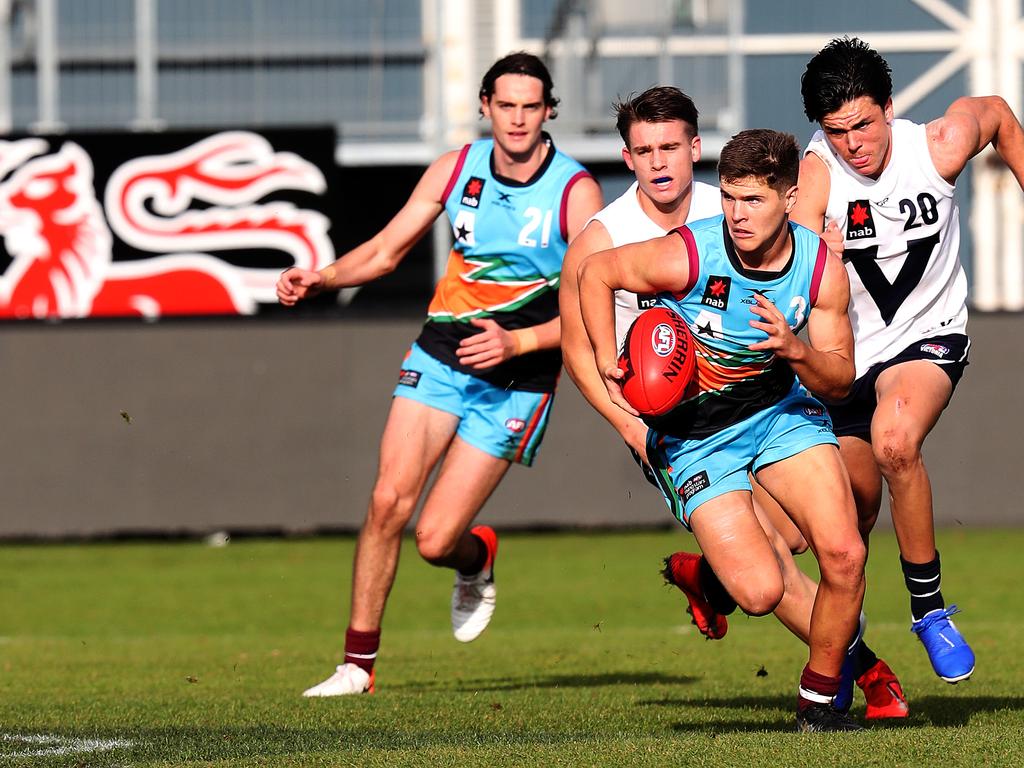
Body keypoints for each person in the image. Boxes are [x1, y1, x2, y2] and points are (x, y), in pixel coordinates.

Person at [560, 87, 906, 720]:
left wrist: (795, 349)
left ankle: (824, 697)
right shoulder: (645, 241)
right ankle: (752, 600)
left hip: (776, 411)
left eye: (670, 147)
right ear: (627, 156)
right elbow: (588, 300)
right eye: (644, 150)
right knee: (761, 585)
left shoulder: (810, 256)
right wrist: (621, 397)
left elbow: (838, 375)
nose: (739, 212)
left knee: (835, 547)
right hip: (689, 432)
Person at [278, 52, 603, 697]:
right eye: (504, 105)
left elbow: (599, 304)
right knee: (385, 502)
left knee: (435, 539)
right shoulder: (456, 168)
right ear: (485, 106)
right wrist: (323, 277)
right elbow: (385, 250)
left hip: (521, 375)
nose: (516, 119)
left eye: (530, 106)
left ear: (548, 112)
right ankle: (357, 667)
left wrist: (519, 342)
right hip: (439, 355)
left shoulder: (574, 192)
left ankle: (475, 557)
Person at [792, 37, 1024, 684]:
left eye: (863, 123)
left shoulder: (939, 146)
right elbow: (796, 281)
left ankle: (929, 612)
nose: (852, 144)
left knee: (896, 440)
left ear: (890, 107)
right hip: (847, 362)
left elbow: (1001, 114)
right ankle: (841, 659)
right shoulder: (816, 178)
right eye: (835, 132)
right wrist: (815, 261)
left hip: (929, 339)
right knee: (847, 526)